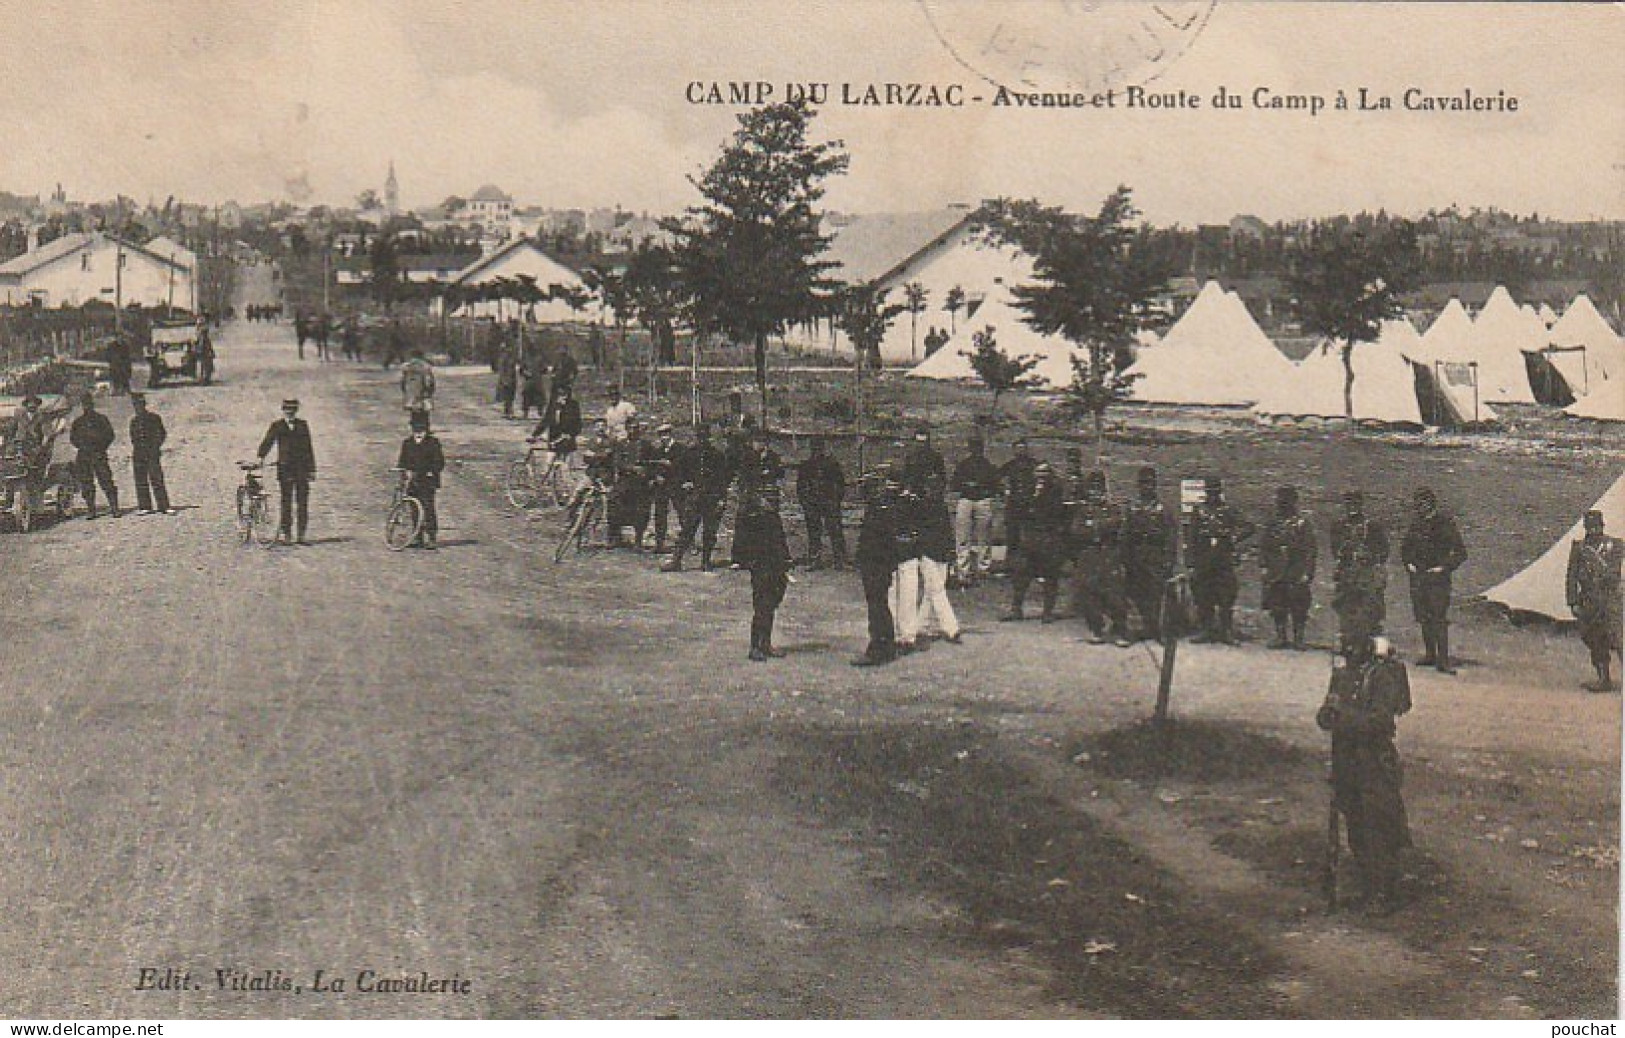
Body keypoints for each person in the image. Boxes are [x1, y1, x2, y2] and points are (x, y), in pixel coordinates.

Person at [1317, 635, 1413, 914]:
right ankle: (1368, 887)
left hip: (1373, 761)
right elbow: (1325, 716)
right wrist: (1327, 714)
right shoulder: (1342, 676)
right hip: (1346, 760)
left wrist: (1342, 717)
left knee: (1379, 826)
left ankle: (1384, 892)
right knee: (1356, 825)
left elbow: (1381, 721)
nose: (1348, 651)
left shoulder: (1382, 675)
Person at [731, 426, 791, 661]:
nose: (771, 497)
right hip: (759, 557)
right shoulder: (750, 512)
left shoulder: (772, 513)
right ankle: (756, 645)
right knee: (762, 598)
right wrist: (744, 558)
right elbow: (742, 536)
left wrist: (785, 557)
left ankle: (766, 642)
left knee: (776, 591)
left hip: (773, 555)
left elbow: (778, 534)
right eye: (757, 441)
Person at [1402, 487, 1468, 674]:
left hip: (1438, 579)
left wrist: (1443, 567)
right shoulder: (1415, 525)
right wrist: (1409, 564)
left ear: (1431, 504)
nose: (1419, 508)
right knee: (1423, 617)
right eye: (1417, 505)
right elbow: (1405, 548)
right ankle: (1430, 654)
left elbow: (1461, 553)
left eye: (1423, 504)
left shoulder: (1445, 524)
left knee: (1438, 618)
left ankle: (1443, 659)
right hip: (1419, 578)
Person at [1187, 476, 1255, 644]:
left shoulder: (1228, 511)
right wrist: (1191, 561)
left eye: (1215, 492)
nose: (1212, 495)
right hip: (1204, 560)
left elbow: (1249, 527)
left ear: (1220, 492)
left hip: (1223, 560)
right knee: (1204, 597)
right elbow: (1191, 537)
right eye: (1209, 492)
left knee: (1226, 597)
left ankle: (1226, 632)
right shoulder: (1199, 511)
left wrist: (1233, 538)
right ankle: (1206, 630)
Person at [1002, 462, 1069, 623]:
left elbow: (1058, 513)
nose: (1042, 476)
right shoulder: (1027, 491)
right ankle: (1016, 609)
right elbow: (1018, 510)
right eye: (1039, 472)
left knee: (1050, 577)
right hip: (1029, 539)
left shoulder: (1055, 491)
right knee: (1021, 576)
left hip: (1048, 539)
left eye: (1045, 472)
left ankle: (1047, 612)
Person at [1070, 469, 1130, 646]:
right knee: (1089, 593)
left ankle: (1120, 630)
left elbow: (1117, 525)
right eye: (1092, 489)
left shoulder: (1112, 509)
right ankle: (1096, 629)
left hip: (1108, 554)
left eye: (1099, 488)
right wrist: (1098, 528)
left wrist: (1095, 526)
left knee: (1115, 594)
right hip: (1089, 555)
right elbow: (1075, 531)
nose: (1096, 492)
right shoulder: (1083, 510)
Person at [1566, 509, 1623, 693]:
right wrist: (1573, 601)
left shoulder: (1615, 545)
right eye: (1590, 527)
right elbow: (1572, 576)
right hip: (1589, 601)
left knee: (1619, 639)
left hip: (1611, 599)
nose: (1594, 530)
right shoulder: (1579, 548)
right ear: (1585, 528)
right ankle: (1603, 679)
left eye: (1596, 526)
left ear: (1602, 526)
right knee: (1594, 639)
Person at [1120, 465, 1178, 642]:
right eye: (1144, 483)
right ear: (1138, 486)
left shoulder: (1163, 509)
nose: (1147, 487)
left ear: (1155, 485)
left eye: (1151, 483)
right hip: (1136, 555)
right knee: (1135, 594)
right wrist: (1124, 559)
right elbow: (1125, 535)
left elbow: (1171, 537)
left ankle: (1158, 631)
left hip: (1156, 556)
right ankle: (1135, 631)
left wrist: (1169, 561)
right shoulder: (1132, 508)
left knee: (1156, 594)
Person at [662, 423, 730, 572]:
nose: (702, 440)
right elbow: (679, 472)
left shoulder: (717, 456)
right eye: (699, 437)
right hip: (695, 498)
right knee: (687, 529)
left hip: (712, 497)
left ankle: (706, 561)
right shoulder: (689, 454)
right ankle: (676, 560)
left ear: (709, 438)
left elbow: (723, 480)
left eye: (705, 437)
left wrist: (722, 499)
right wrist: (685, 483)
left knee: (710, 532)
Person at [852, 467, 903, 666]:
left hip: (876, 562)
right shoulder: (882, 505)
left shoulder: (882, 508)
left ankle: (878, 649)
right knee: (879, 604)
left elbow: (876, 540)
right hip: (879, 562)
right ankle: (886, 646)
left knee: (877, 605)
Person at [1331, 491, 1390, 650]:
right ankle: (1347, 644)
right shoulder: (1339, 526)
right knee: (1346, 609)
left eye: (1355, 504)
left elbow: (1384, 550)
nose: (1352, 508)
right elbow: (1335, 549)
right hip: (1347, 574)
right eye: (1349, 504)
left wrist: (1370, 558)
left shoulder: (1372, 526)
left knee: (1369, 611)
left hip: (1367, 575)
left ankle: (1368, 646)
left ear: (1361, 505)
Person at [1260, 485, 1317, 650]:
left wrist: (1307, 572)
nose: (1282, 505)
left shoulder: (1303, 524)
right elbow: (1264, 546)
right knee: (1277, 604)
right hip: (1276, 570)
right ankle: (1280, 636)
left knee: (1299, 605)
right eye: (1280, 502)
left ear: (1294, 503)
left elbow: (1310, 550)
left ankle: (1299, 639)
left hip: (1295, 570)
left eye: (1286, 502)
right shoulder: (1272, 523)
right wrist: (1264, 566)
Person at [256, 398, 316, 544]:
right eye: (287, 409)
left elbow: (308, 447)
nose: (290, 412)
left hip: (301, 469)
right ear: (283, 410)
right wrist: (261, 456)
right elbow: (268, 441)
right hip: (285, 469)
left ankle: (301, 535)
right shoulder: (277, 426)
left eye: (293, 410)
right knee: (286, 502)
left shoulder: (303, 425)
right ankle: (287, 534)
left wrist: (312, 469)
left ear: (296, 411)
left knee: (302, 502)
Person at [950, 435, 999, 585]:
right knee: (963, 537)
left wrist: (981, 488)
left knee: (984, 537)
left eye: (979, 447)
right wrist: (968, 486)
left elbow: (994, 485)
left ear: (982, 449)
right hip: (966, 500)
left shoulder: (988, 465)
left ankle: (983, 568)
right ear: (970, 448)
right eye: (974, 447)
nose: (976, 450)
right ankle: (963, 569)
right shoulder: (963, 465)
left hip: (983, 500)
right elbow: (954, 484)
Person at [796, 435, 847, 568]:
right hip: (813, 503)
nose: (817, 451)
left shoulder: (831, 465)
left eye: (819, 448)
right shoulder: (806, 466)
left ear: (823, 449)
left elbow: (840, 484)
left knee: (835, 530)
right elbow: (801, 487)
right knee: (814, 531)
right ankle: (815, 559)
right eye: (814, 448)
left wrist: (836, 500)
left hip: (829, 501)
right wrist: (806, 502)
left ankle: (840, 559)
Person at [396, 410, 445, 549]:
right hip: (412, 481)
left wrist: (431, 472)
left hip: (427, 481)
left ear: (426, 429)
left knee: (428, 508)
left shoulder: (433, 443)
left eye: (421, 429)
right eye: (415, 429)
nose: (418, 432)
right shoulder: (407, 443)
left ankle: (431, 536)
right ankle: (417, 536)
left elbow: (439, 462)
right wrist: (404, 472)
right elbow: (402, 461)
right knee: (414, 508)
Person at [69, 392, 119, 519]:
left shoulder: (101, 419)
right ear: (82, 406)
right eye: (84, 404)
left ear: (92, 404)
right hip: (83, 455)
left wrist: (101, 447)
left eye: (89, 404)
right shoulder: (78, 422)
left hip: (98, 454)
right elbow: (73, 438)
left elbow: (110, 435)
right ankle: (91, 510)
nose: (87, 407)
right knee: (86, 483)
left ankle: (114, 508)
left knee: (106, 480)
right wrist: (82, 447)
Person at [127, 392, 171, 515]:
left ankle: (164, 506)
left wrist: (155, 447)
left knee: (157, 479)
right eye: (136, 406)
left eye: (140, 405)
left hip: (152, 452)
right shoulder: (134, 421)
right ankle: (145, 506)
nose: (138, 408)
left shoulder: (154, 418)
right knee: (140, 480)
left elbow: (161, 434)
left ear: (144, 405)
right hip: (138, 453)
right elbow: (133, 437)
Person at [998, 437, 1039, 566]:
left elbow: (1045, 480)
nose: (1020, 451)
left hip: (1030, 504)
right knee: (1012, 536)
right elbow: (996, 478)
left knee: (1030, 536)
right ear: (1013, 450)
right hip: (1014, 505)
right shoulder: (1010, 466)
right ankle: (1010, 565)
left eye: (1023, 448)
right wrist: (1004, 491)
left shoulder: (1034, 465)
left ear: (1026, 450)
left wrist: (1037, 495)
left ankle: (1032, 564)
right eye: (1017, 449)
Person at [646, 423, 685, 553]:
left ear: (671, 434)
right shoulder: (658, 450)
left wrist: (670, 466)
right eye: (661, 435)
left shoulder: (680, 448)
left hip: (676, 485)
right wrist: (656, 476)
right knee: (660, 514)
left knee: (682, 512)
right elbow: (652, 467)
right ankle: (659, 543)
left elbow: (683, 468)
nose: (664, 437)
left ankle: (687, 542)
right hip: (661, 487)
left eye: (666, 434)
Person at [400, 350, 436, 417]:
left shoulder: (406, 367)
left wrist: (405, 394)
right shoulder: (426, 367)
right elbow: (430, 383)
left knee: (414, 414)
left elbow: (403, 384)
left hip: (411, 399)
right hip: (424, 399)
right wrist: (429, 394)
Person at [494, 337, 518, 418]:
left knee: (511, 395)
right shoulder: (504, 358)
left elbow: (513, 368)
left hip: (512, 378)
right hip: (507, 379)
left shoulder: (511, 357)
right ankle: (508, 412)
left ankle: (509, 411)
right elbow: (502, 369)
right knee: (507, 396)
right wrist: (504, 380)